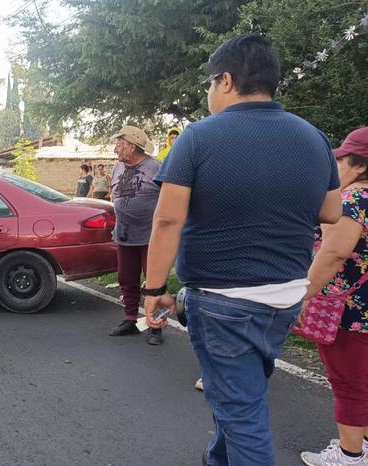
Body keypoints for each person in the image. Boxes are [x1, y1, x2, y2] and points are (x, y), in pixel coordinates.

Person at [142, 34, 341, 466]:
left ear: (227, 80)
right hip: (286, 296)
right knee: (240, 395)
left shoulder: (198, 138)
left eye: (211, 83)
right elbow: (331, 211)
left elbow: (167, 220)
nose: (209, 93)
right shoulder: (313, 138)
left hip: (224, 300)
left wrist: (154, 287)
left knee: (241, 410)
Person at [300, 127, 368, 466]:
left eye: (340, 159)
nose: (335, 164)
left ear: (358, 166)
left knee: (349, 382)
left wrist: (304, 294)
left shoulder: (354, 199)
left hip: (349, 312)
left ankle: (350, 455)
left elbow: (335, 253)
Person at [106, 125, 164, 345]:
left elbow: (170, 198)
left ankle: (156, 327)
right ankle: (130, 319)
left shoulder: (156, 167)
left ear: (132, 146)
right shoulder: (118, 167)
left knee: (155, 283)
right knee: (127, 280)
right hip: (124, 234)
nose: (115, 150)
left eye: (119, 145)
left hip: (151, 236)